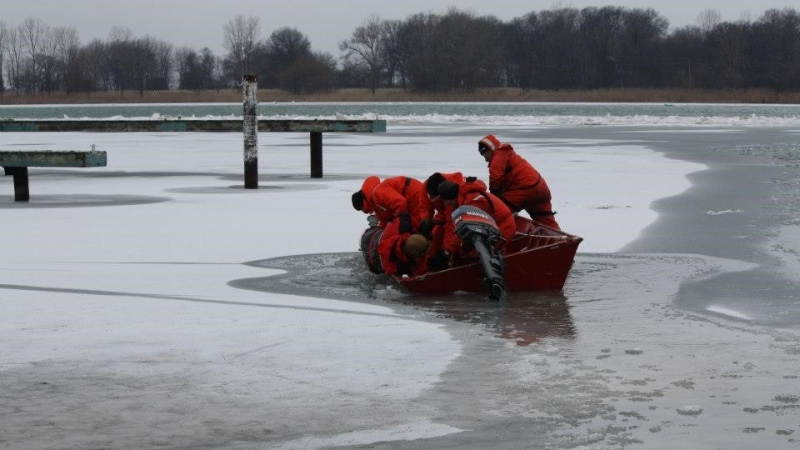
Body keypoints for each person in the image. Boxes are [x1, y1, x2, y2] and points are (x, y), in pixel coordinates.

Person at [478, 134, 560, 229]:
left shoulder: (499, 154)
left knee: (498, 212)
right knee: (547, 223)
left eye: (484, 153)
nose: (485, 158)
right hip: (541, 188)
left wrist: (494, 198)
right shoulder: (509, 155)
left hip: (525, 189)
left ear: (490, 149)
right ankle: (563, 240)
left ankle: (501, 237)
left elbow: (495, 177)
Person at [351, 175, 426, 234]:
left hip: (414, 195)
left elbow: (400, 203)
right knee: (413, 228)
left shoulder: (377, 192)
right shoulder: (375, 204)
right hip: (411, 198)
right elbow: (384, 220)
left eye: (361, 209)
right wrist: (381, 232)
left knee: (419, 227)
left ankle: (429, 250)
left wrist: (399, 223)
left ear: (362, 204)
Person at [359, 219, 431, 277]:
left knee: (377, 228)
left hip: (378, 234)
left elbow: (403, 216)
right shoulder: (393, 267)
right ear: (414, 255)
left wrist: (420, 226)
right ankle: (373, 224)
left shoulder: (402, 229)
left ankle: (373, 224)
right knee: (374, 269)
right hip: (367, 244)